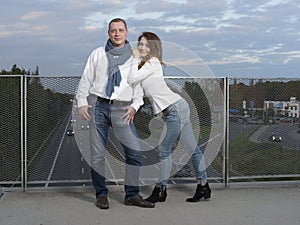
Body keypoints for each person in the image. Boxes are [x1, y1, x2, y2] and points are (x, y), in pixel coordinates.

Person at [76, 19, 155, 209]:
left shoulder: (136, 58)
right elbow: (86, 79)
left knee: (134, 153)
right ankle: (101, 195)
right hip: (99, 106)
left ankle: (132, 195)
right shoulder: (97, 54)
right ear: (108, 33)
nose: (117, 34)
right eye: (113, 31)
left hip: (123, 109)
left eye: (120, 30)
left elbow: (139, 87)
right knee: (97, 155)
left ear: (127, 32)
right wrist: (82, 102)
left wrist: (135, 106)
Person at [128, 32, 211, 203]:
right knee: (192, 148)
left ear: (153, 48)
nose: (142, 48)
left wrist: (134, 59)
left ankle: (161, 190)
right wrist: (132, 107)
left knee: (165, 149)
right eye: (140, 44)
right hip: (176, 109)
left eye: (146, 45)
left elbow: (131, 77)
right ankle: (204, 186)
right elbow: (135, 88)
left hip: (176, 109)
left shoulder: (153, 62)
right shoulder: (143, 67)